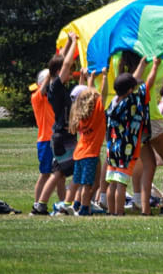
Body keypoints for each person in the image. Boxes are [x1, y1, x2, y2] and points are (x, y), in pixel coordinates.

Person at [120, 50, 163, 216]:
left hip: (136, 124)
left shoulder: (126, 72)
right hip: (152, 119)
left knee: (149, 165)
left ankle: (146, 209)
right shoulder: (155, 64)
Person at [32, 32, 79, 215]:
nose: (71, 73)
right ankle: (68, 204)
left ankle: (42, 205)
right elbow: (64, 64)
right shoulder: (56, 87)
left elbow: (60, 63)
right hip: (63, 136)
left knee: (58, 173)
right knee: (78, 168)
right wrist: (74, 42)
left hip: (61, 135)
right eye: (68, 70)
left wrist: (67, 43)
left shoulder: (55, 86)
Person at [105, 59, 157, 216]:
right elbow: (149, 83)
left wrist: (141, 63)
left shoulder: (113, 104)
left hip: (112, 148)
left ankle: (111, 211)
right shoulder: (133, 101)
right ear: (130, 91)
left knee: (112, 183)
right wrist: (154, 66)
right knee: (121, 184)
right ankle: (119, 212)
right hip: (126, 150)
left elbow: (134, 81)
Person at [68, 72, 107, 216]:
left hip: (80, 154)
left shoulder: (80, 115)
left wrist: (89, 78)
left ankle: (78, 204)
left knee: (88, 183)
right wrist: (104, 77)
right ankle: (84, 208)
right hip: (89, 154)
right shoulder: (96, 113)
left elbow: (89, 95)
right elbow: (104, 94)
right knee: (87, 184)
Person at [30, 68, 65, 211]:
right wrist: (51, 74)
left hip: (56, 139)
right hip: (45, 140)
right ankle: (37, 204)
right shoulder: (37, 97)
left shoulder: (52, 97)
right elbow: (43, 88)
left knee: (60, 176)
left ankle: (65, 204)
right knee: (45, 173)